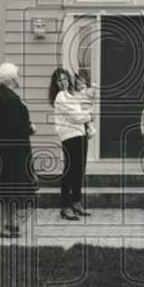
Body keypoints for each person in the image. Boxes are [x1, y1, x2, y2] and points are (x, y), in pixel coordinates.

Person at [0, 61, 37, 239]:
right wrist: (31, 128)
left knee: (6, 184)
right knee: (7, 185)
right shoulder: (11, 99)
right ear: (10, 78)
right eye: (16, 75)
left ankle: (9, 223)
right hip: (13, 147)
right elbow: (14, 126)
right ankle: (0, 226)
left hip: (1, 144)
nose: (18, 78)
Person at [49, 68, 92, 220]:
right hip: (69, 136)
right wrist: (89, 116)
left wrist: (85, 117)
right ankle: (65, 206)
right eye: (60, 80)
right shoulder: (61, 97)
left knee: (79, 170)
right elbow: (76, 116)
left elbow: (81, 112)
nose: (63, 82)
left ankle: (76, 202)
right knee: (70, 171)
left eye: (65, 78)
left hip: (80, 134)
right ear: (56, 83)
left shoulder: (72, 95)